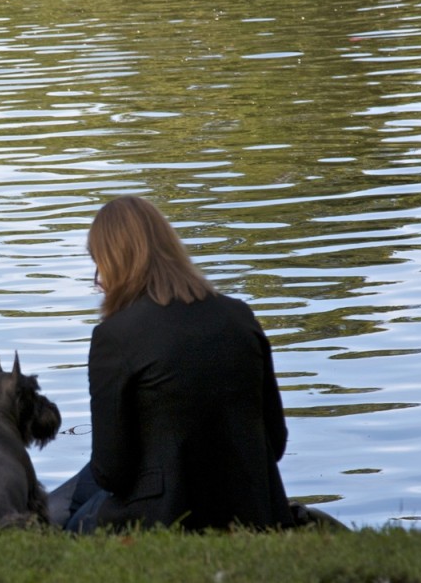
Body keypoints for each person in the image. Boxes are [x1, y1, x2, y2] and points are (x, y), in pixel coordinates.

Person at [49, 195, 294, 533]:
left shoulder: (116, 335)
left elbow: (113, 472)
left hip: (166, 517)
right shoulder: (239, 315)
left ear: (117, 263)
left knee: (62, 511)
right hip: (254, 510)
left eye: (99, 264)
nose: (97, 281)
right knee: (79, 489)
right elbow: (275, 442)